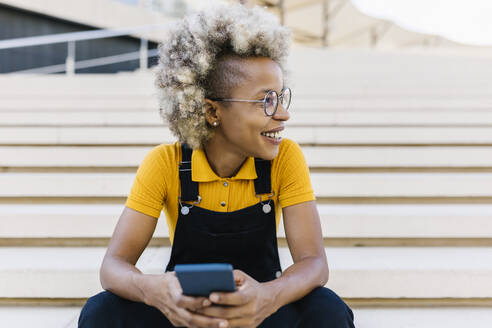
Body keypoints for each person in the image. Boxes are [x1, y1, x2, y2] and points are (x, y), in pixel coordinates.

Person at [78, 3, 355, 328]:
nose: (283, 114)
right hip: (185, 318)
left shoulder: (285, 158)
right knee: (101, 313)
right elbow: (113, 266)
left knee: (328, 310)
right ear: (212, 112)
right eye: (266, 100)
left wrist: (269, 297)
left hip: (260, 314)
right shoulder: (165, 164)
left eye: (282, 97)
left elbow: (314, 263)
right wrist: (158, 292)